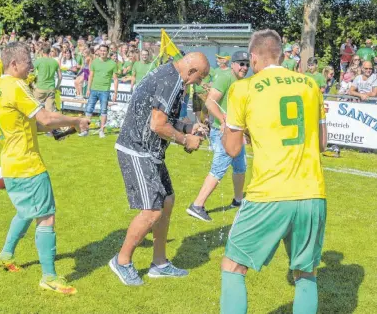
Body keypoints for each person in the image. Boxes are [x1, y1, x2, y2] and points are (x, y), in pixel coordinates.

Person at [220, 29, 327, 314]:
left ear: (253, 58)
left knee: (233, 266)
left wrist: (225, 131)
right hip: (312, 193)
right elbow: (322, 142)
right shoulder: (310, 85)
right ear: (280, 54)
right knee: (305, 272)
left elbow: (232, 149)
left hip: (269, 193)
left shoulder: (243, 88)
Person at [0, 42, 89, 295]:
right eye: (27, 62)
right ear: (14, 64)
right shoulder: (16, 86)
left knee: (25, 212)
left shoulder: (0, 86)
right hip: (27, 164)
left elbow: (34, 125)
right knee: (46, 216)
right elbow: (44, 117)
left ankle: (5, 254)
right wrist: (76, 119)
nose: (31, 67)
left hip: (11, 162)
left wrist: (64, 128)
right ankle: (49, 276)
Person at [110, 52, 210, 286]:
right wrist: (186, 140)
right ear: (192, 71)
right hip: (137, 150)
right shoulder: (171, 81)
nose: (198, 83)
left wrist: (187, 127)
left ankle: (160, 263)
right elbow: (157, 125)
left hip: (150, 151)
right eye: (200, 78)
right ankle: (122, 261)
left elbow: (164, 118)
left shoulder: (170, 74)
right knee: (152, 211)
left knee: (167, 200)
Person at [186, 51, 249, 222]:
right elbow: (210, 102)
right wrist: (223, 120)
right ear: (233, 64)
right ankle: (197, 205)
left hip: (236, 132)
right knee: (218, 169)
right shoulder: (225, 77)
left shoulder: (241, 81)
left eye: (247, 64)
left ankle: (238, 200)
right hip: (225, 132)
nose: (244, 67)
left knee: (240, 167)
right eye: (241, 64)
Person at [82, 44, 118, 138]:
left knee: (103, 111)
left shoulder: (113, 64)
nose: (103, 52)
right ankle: (85, 130)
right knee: (89, 109)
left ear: (108, 52)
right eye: (101, 50)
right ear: (98, 51)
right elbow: (90, 76)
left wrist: (115, 93)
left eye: (104, 51)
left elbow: (115, 79)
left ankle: (101, 130)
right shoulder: (94, 62)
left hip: (105, 91)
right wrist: (88, 89)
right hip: (93, 89)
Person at [33, 44, 62, 112]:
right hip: (51, 88)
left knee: (35, 109)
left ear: (42, 52)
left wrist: (33, 85)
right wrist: (57, 86)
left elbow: (30, 72)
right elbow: (60, 77)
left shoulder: (38, 61)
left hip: (40, 87)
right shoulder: (55, 62)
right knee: (49, 111)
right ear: (49, 52)